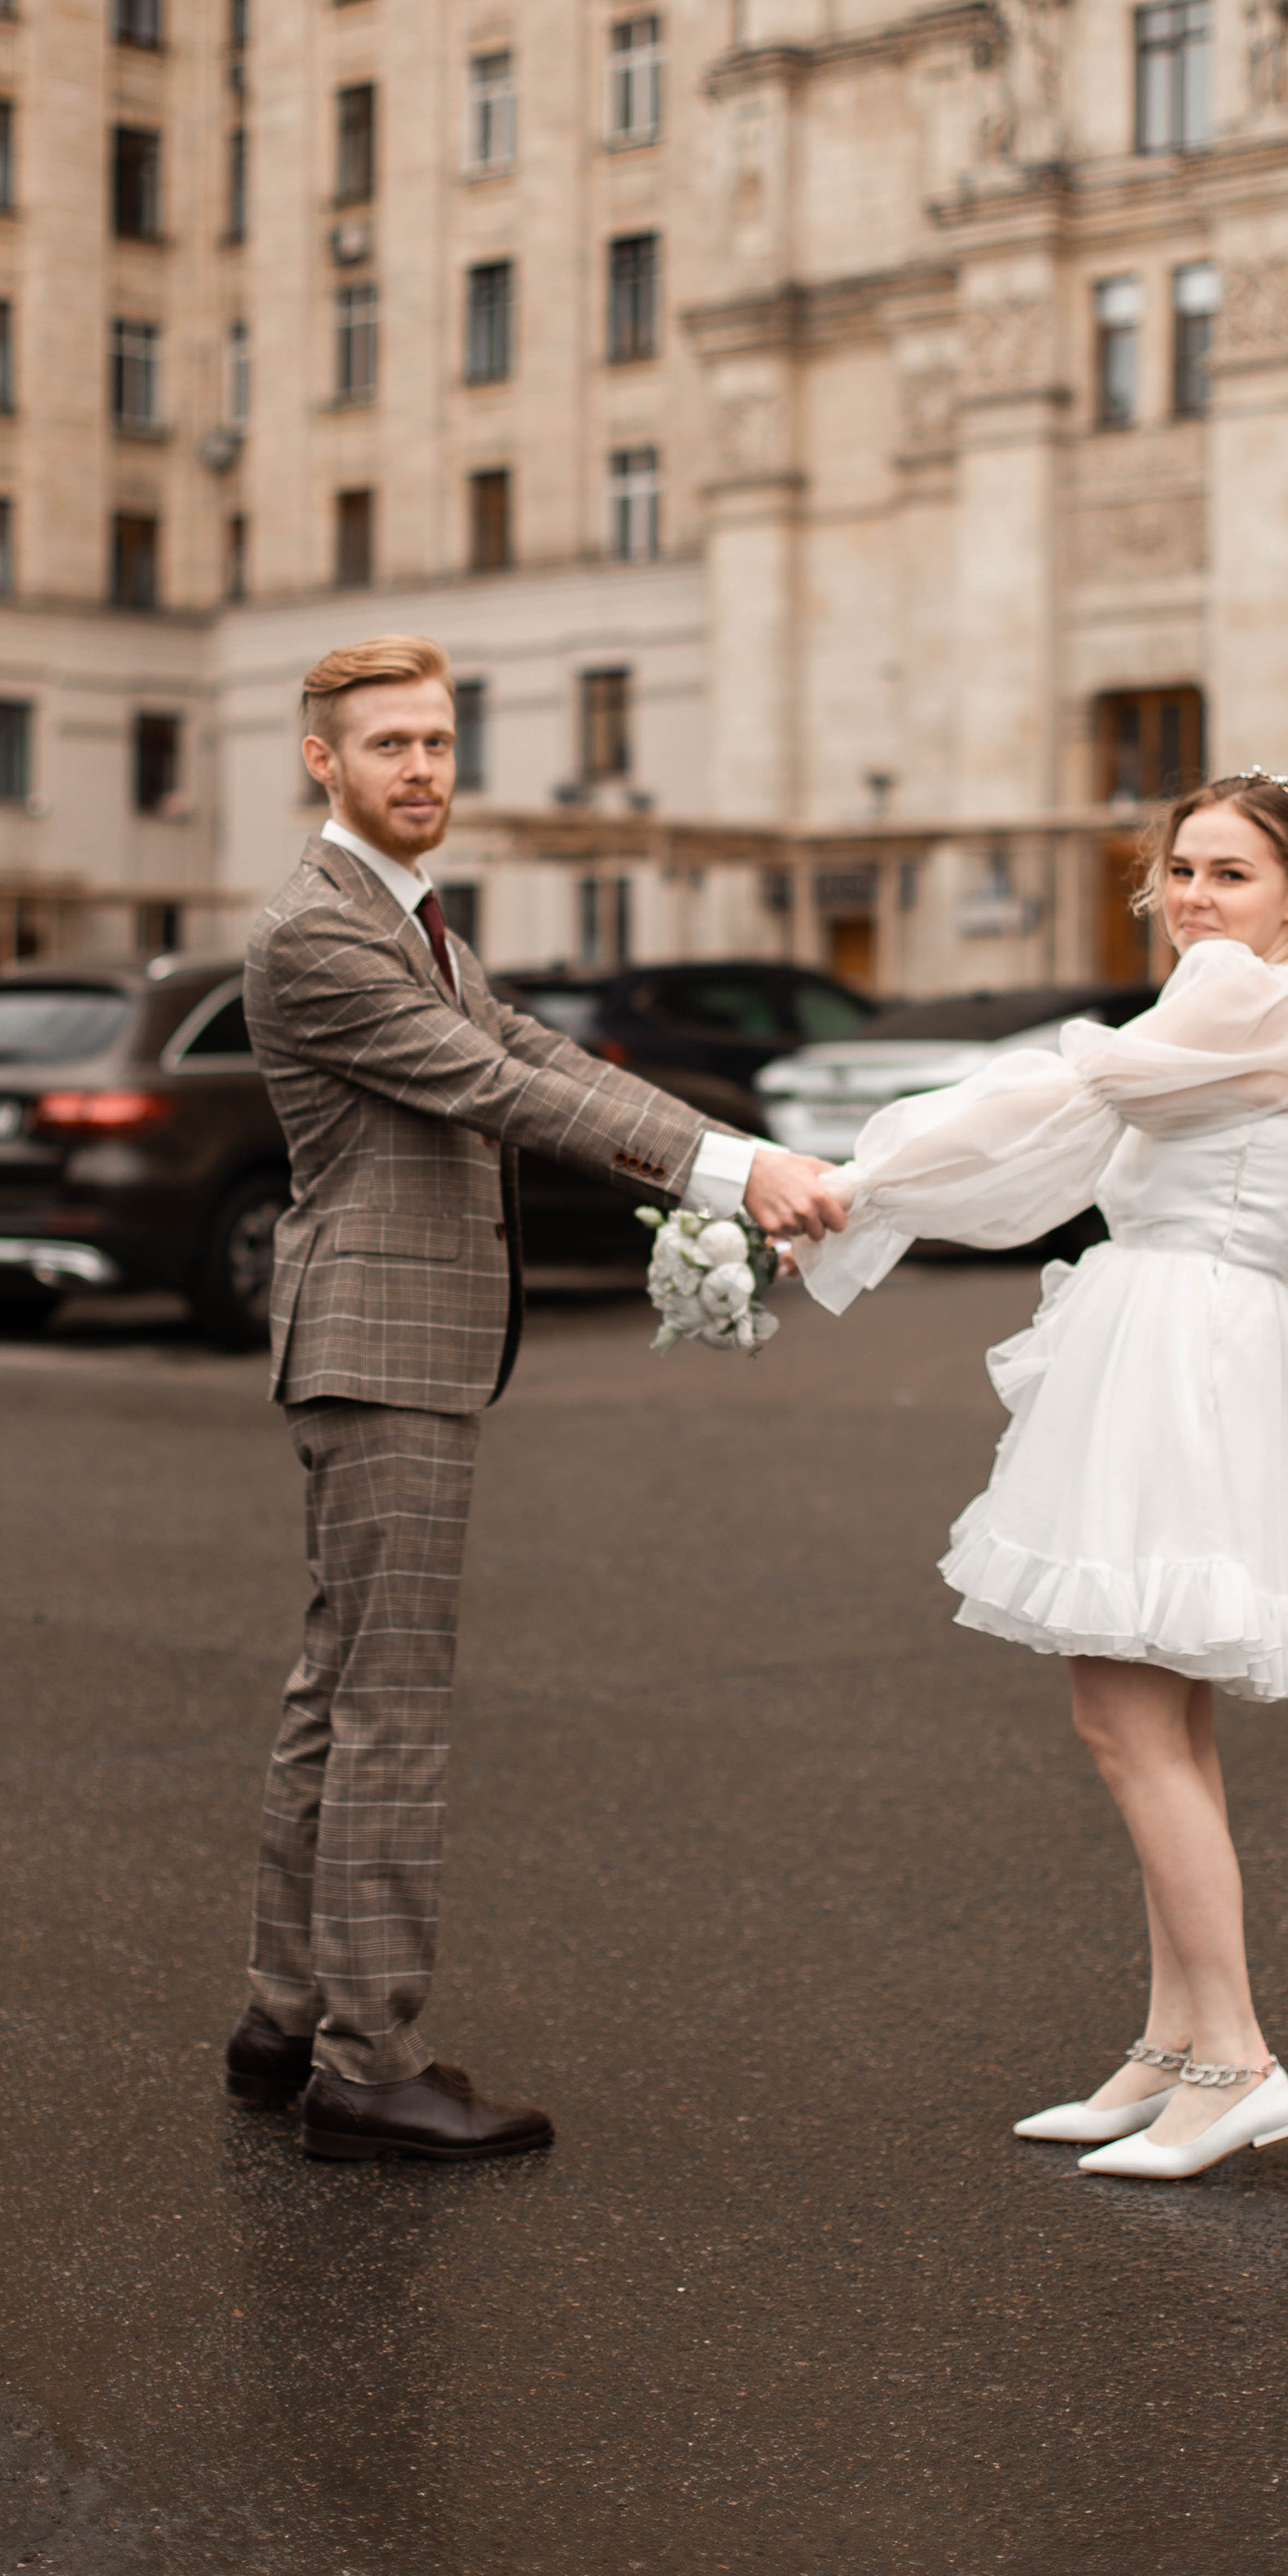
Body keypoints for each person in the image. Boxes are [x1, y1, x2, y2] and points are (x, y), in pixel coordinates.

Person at [224, 636, 845, 2164]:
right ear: (324, 762)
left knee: (335, 1687)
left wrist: (721, 1149)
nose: (421, 769)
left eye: (437, 742)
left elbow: (543, 1053)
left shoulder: (414, 920)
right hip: (380, 1353)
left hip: (388, 1346)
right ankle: (369, 2062)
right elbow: (501, 1091)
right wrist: (732, 1172)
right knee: (390, 1710)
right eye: (389, 747)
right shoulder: (319, 933)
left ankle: (282, 2013)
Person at [793, 772, 1288, 2182]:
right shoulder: (1283, 1002)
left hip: (1180, 1357)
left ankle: (1237, 2059)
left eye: (1232, 875)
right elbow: (1064, 1136)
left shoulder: (1246, 997)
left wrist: (853, 1185)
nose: (1196, 898)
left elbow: (1058, 1100)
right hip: (1204, 1347)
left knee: (1129, 1726)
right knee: (1161, 1727)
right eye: (1181, 871)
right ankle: (1173, 2041)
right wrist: (877, 1197)